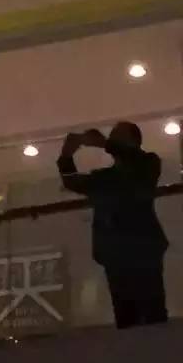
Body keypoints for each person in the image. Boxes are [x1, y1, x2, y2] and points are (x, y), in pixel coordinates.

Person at [58, 122, 169, 329]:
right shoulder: (106, 177)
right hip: (118, 251)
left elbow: (134, 162)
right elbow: (71, 182)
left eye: (118, 137)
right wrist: (66, 156)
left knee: (152, 309)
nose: (113, 141)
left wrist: (102, 143)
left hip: (140, 249)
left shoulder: (148, 163)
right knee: (126, 313)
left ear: (133, 141)